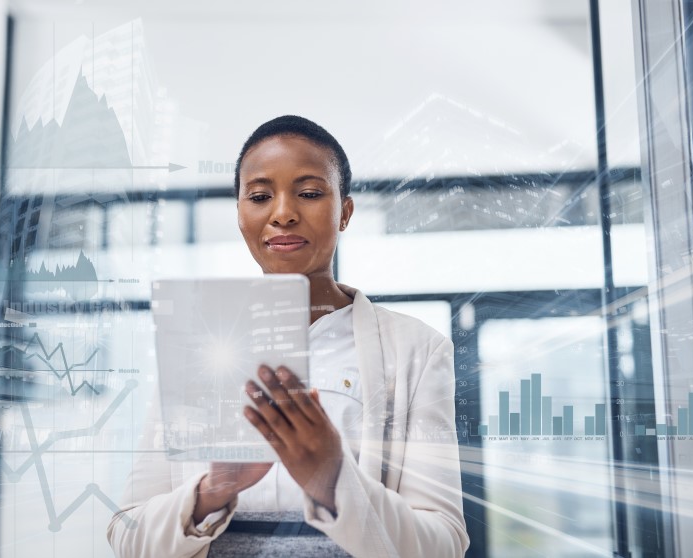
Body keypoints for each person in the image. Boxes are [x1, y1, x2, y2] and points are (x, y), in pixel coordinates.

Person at [107, 115, 469, 557]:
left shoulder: (415, 349)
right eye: (260, 196)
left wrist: (332, 479)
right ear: (240, 212)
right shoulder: (197, 347)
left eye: (310, 193)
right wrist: (211, 491)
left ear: (345, 212)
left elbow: (445, 544)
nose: (282, 214)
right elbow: (128, 537)